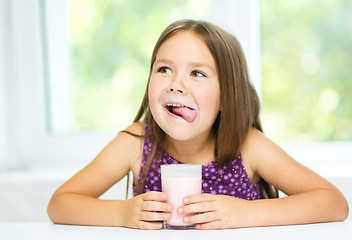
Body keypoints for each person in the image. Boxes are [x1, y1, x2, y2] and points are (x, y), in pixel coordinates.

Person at [47, 19, 348, 230]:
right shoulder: (136, 142)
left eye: (197, 74)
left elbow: (333, 203)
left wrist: (245, 214)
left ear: (226, 98)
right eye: (164, 69)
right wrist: (120, 212)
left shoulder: (248, 145)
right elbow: (60, 204)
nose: (176, 84)